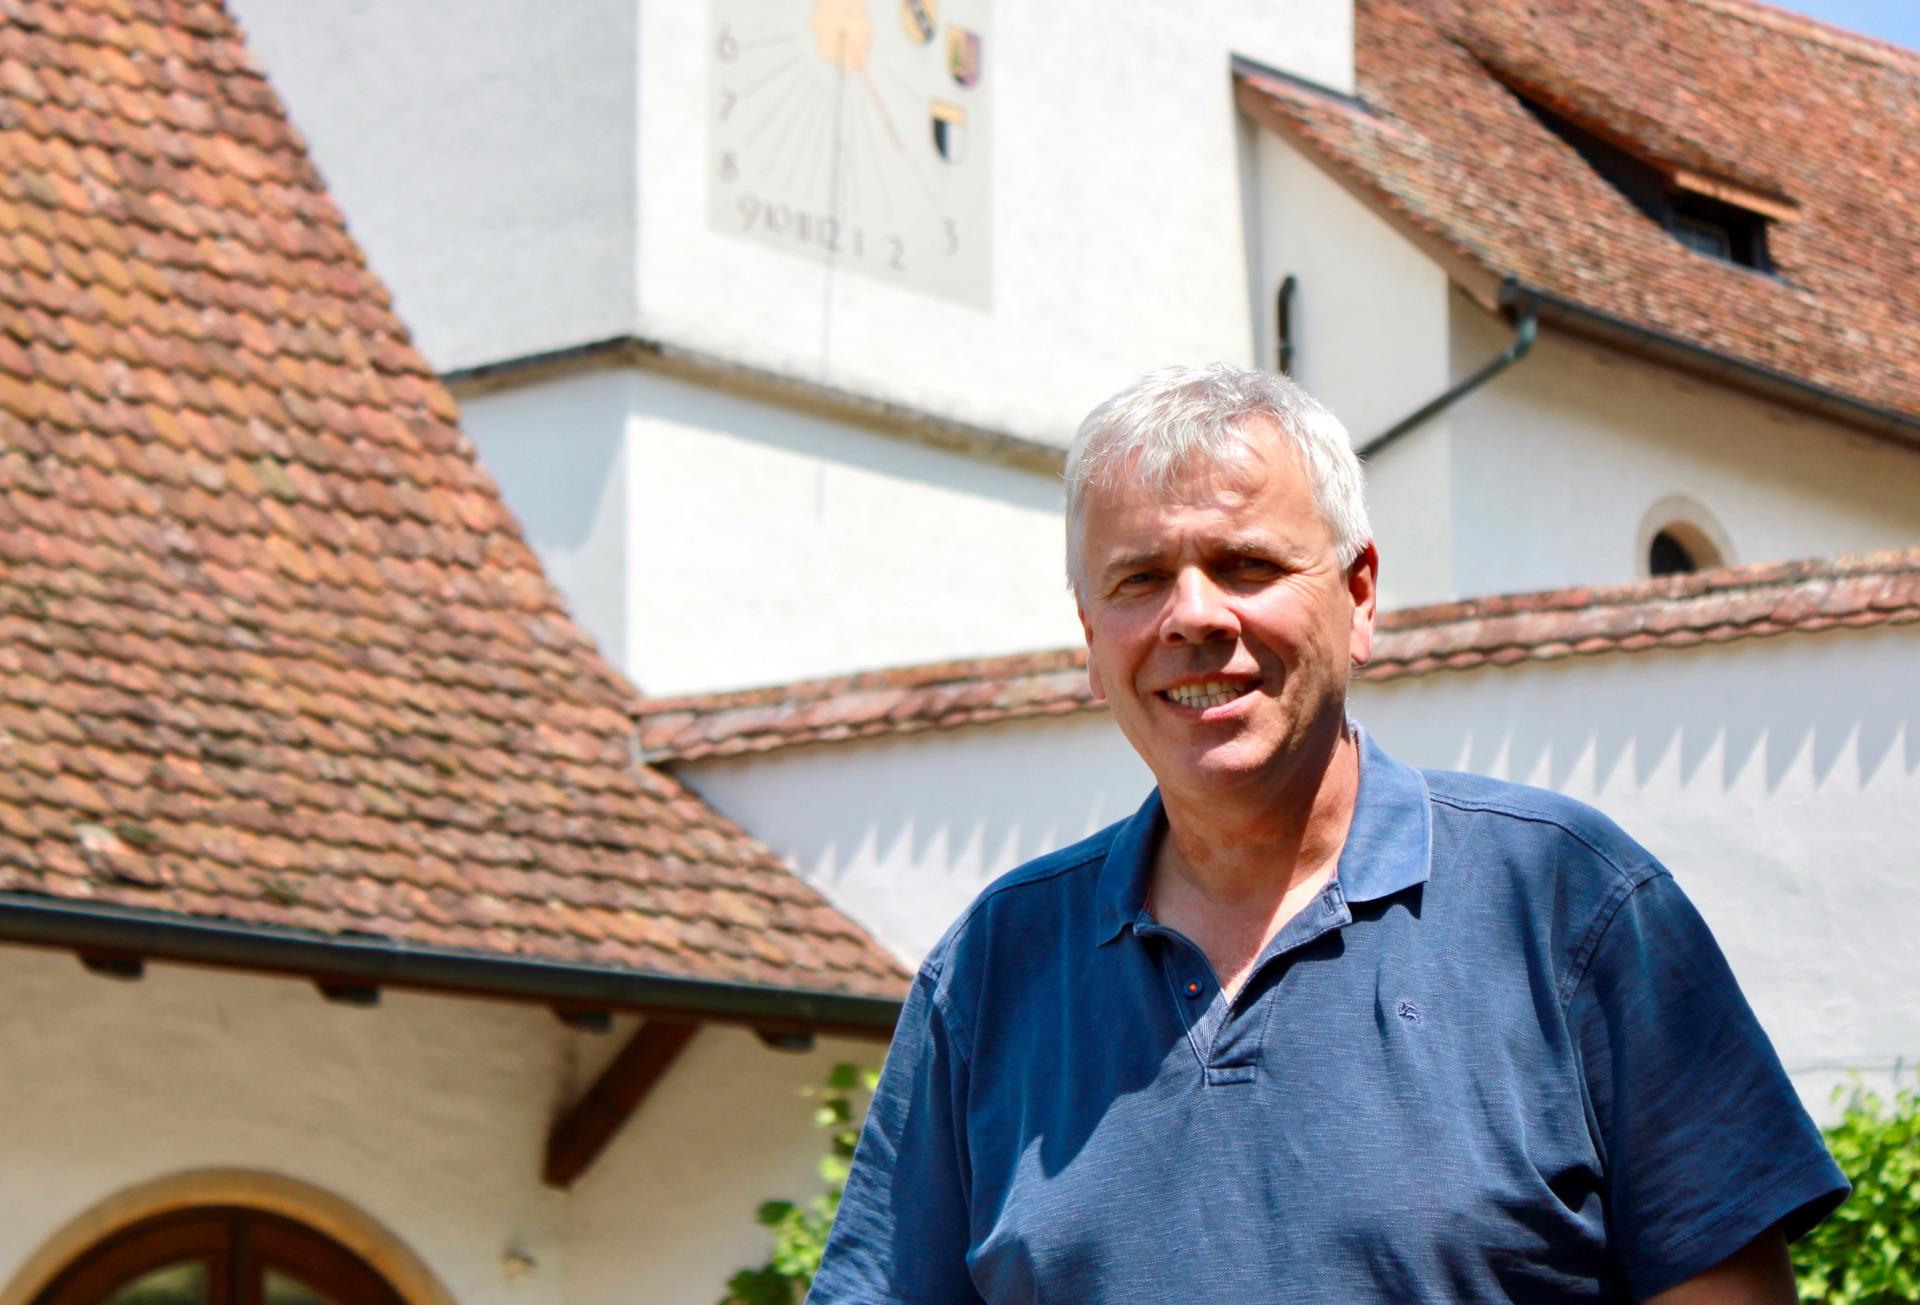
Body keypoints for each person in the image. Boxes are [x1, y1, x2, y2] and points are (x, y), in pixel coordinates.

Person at [809, 364, 1846, 1302]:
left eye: (1246, 564)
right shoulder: (993, 971)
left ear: (1359, 596)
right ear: (1091, 634)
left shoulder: (1567, 905)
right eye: (1139, 578)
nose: (1193, 615)